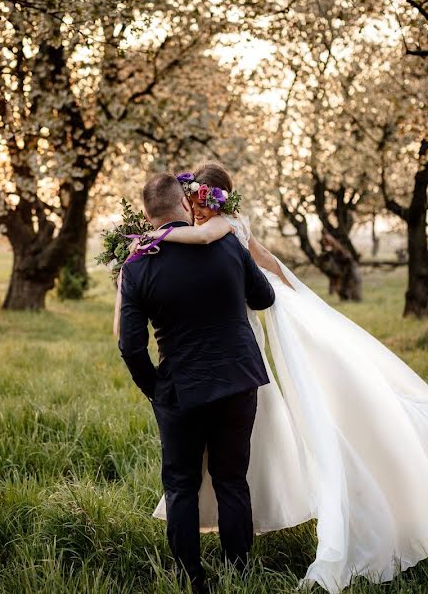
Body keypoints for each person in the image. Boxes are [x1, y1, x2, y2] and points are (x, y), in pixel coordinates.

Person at [141, 161, 428, 593]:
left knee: (211, 468)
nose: (194, 205)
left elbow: (227, 252)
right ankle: (233, 554)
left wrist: (148, 237)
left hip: (210, 364)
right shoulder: (220, 239)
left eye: (197, 197)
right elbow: (256, 273)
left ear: (201, 198)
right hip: (237, 364)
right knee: (234, 464)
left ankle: (198, 566)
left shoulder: (207, 237)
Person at [118, 172, 276, 593]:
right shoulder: (225, 242)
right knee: (231, 480)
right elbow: (264, 297)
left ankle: (191, 577)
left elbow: (131, 347)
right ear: (186, 205)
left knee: (181, 485)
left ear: (148, 216)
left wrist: (157, 390)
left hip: (181, 389)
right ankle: (239, 571)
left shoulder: (136, 267)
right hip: (239, 380)